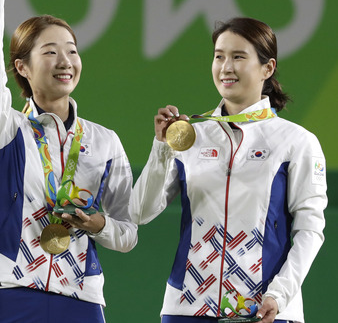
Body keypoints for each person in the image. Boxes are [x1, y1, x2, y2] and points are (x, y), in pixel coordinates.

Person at [0, 0, 138, 322]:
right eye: (49, 52)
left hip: (82, 299)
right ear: (23, 68)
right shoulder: (6, 128)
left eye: (72, 50)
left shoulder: (104, 141)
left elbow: (127, 232)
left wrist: (99, 225)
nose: (65, 61)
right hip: (14, 292)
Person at [130, 17, 327, 323]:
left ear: (268, 68)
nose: (226, 67)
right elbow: (140, 212)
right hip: (187, 308)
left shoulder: (296, 141)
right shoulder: (191, 137)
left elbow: (310, 230)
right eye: (219, 56)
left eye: (238, 57)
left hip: (265, 310)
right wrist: (162, 148)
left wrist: (279, 294)